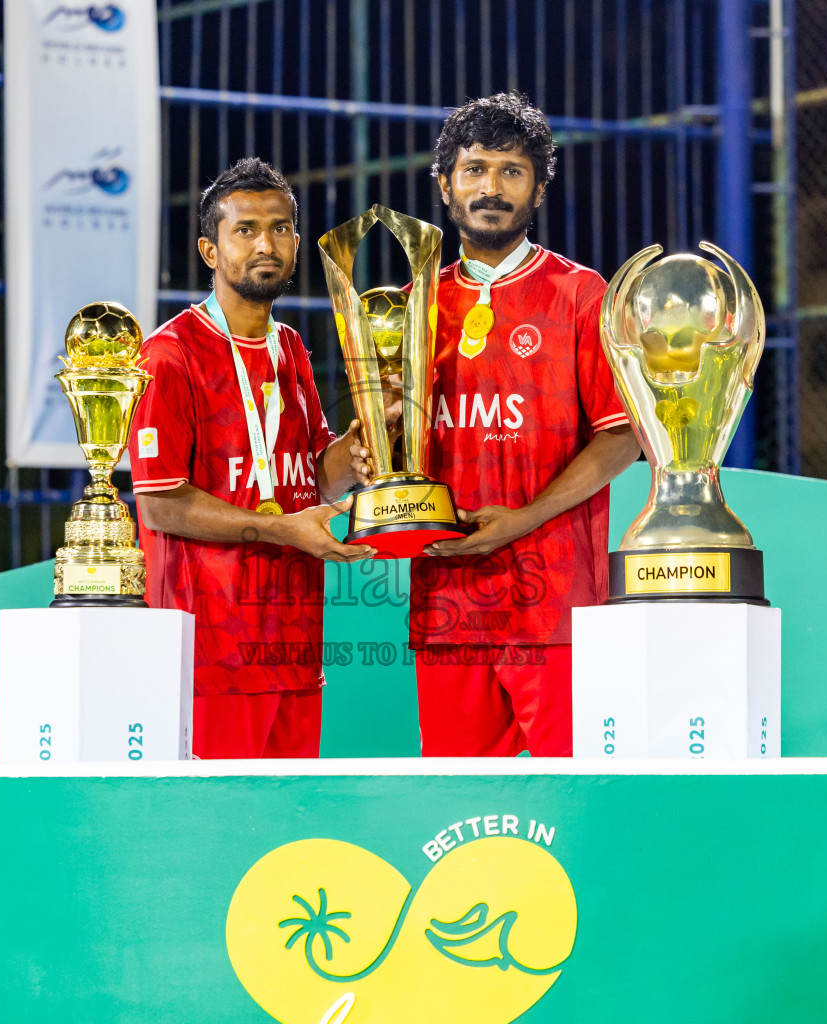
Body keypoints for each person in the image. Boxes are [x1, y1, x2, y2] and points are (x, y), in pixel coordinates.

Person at [410, 92, 643, 757]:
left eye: (512, 171)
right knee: (455, 809)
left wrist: (524, 517)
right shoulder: (409, 305)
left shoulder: (580, 294)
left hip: (555, 608)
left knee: (568, 805)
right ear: (445, 183)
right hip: (448, 603)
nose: (491, 187)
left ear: (539, 188)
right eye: (475, 168)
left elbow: (622, 435)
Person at [129, 158, 375, 759]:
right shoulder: (169, 355)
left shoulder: (288, 345)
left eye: (280, 228)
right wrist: (279, 529)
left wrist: (370, 439)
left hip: (293, 643)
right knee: (217, 836)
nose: (266, 243)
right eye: (246, 230)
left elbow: (314, 474)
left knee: (285, 838)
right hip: (212, 655)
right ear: (210, 250)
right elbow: (160, 505)